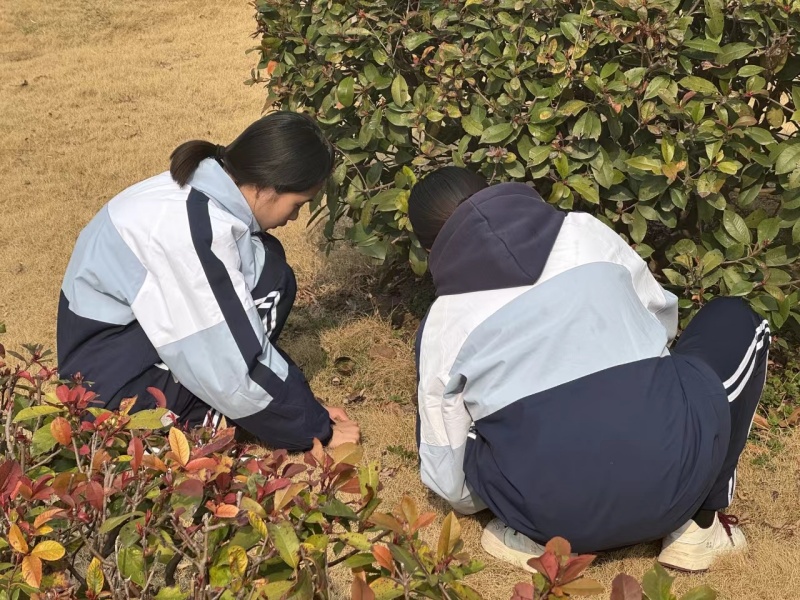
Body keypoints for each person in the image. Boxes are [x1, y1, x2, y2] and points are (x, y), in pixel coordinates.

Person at [409, 166, 769, 572]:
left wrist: (504, 501)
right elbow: (659, 319)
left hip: (547, 522)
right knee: (736, 318)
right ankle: (698, 528)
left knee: (475, 417)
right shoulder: (582, 230)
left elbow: (449, 480)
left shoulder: (442, 323)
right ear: (496, 194)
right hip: (677, 480)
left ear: (429, 252)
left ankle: (526, 535)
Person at [58, 111, 360, 451]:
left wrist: (305, 404)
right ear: (269, 187)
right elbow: (232, 365)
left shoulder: (197, 190)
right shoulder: (191, 233)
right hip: (112, 398)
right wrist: (316, 429)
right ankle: (188, 425)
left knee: (265, 266)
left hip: (108, 357)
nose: (294, 217)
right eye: (298, 204)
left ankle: (243, 410)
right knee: (268, 282)